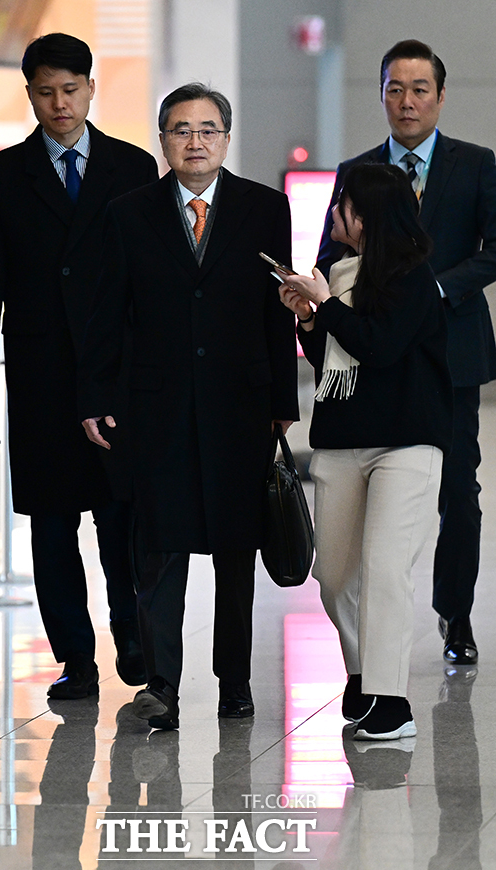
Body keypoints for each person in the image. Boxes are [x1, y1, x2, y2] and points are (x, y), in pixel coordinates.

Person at [79, 82, 299, 729]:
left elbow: (277, 311)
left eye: (207, 130)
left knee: (236, 549)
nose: (195, 142)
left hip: (240, 405)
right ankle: (162, 686)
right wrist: (95, 394)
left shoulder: (266, 208)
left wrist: (282, 400)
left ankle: (235, 682)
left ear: (226, 139)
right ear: (163, 139)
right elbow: (106, 312)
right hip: (157, 406)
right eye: (181, 130)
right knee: (159, 550)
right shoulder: (128, 213)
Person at [0, 33, 159, 700]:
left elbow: (151, 278)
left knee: (121, 514)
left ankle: (133, 634)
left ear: (91, 89)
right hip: (42, 371)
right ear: (30, 95)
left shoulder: (133, 167)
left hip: (116, 371)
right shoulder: (2, 177)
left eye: (70, 89)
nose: (59, 103)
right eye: (45, 92)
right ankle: (76, 656)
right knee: (51, 522)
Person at [317, 39, 496, 667]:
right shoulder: (357, 170)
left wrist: (432, 290)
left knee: (459, 489)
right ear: (382, 95)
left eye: (420, 89)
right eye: (395, 89)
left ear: (441, 97)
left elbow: (494, 250)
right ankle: (369, 637)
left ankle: (455, 613)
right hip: (375, 357)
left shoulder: (476, 164)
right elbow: (331, 256)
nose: (407, 101)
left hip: (452, 352)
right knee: (370, 500)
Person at [279, 163, 453, 739]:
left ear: (369, 216)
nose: (335, 213)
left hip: (406, 443)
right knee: (333, 575)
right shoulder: (339, 273)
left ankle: (391, 701)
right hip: (342, 440)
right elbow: (333, 353)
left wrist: (327, 306)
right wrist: (308, 319)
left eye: (345, 205)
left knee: (384, 569)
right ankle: (362, 673)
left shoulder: (412, 277)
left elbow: (378, 347)